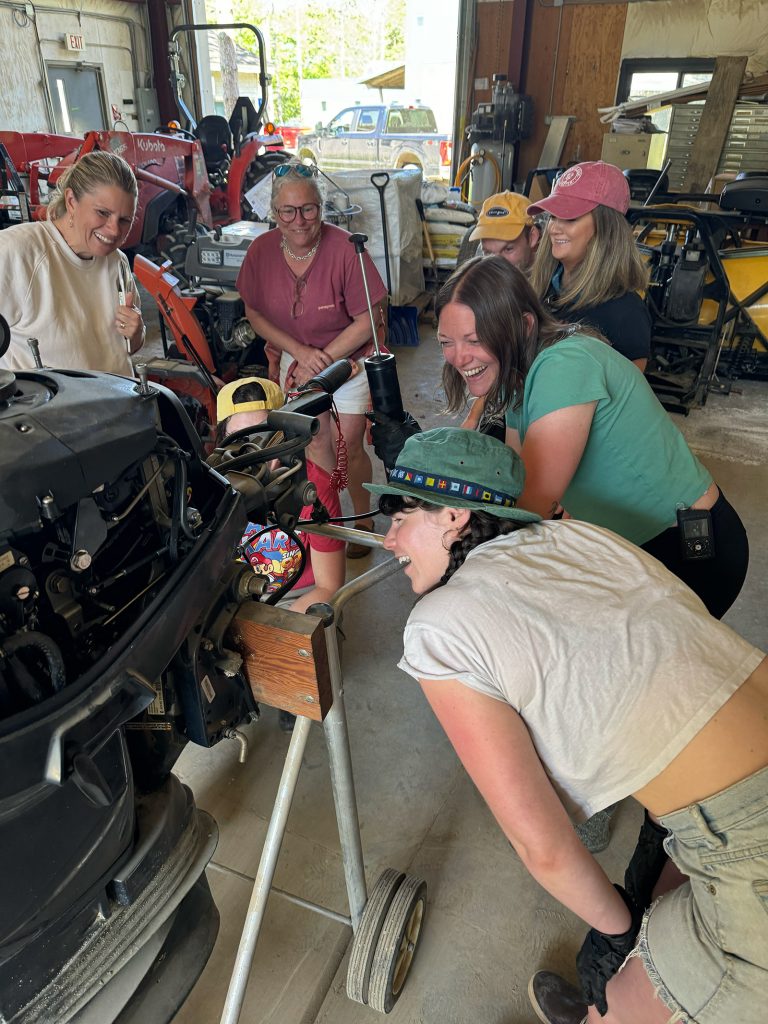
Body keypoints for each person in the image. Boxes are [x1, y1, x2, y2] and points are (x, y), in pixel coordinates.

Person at [366, 426, 768, 1024]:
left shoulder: (440, 625)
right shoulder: (580, 536)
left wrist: (615, 929)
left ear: (453, 515)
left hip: (747, 840)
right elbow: (667, 676)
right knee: (661, 906)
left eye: (400, 518)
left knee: (617, 1002)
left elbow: (544, 846)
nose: (388, 539)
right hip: (732, 797)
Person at [437, 255, 748, 621]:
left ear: (523, 325)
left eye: (474, 340)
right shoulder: (518, 375)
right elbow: (513, 478)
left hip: (687, 549)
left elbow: (530, 505)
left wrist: (444, 538)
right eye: (446, 342)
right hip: (627, 547)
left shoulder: (563, 365)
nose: (459, 357)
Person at [236, 161, 388, 558]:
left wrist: (322, 359)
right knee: (315, 441)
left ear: (321, 207)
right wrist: (301, 354)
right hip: (297, 355)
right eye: (288, 211)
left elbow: (369, 320)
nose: (299, 220)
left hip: (349, 358)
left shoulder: (346, 248)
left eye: (308, 209)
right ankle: (330, 526)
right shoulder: (261, 251)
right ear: (274, 212)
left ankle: (362, 515)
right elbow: (254, 313)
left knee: (347, 444)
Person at [216, 377, 347, 732]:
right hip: (241, 595)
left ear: (286, 435)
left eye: (264, 436)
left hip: (298, 597)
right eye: (240, 439)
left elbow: (329, 584)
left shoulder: (312, 488)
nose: (253, 451)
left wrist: (272, 636)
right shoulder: (213, 490)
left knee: (299, 669)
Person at [0, 150, 145, 375]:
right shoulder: (17, 252)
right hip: (53, 399)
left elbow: (128, 348)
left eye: (125, 220)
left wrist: (137, 333)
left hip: (121, 396)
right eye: (102, 213)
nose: (114, 230)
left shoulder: (117, 262)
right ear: (71, 201)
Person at [528, 160, 651, 370]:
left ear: (606, 229)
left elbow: (626, 389)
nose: (554, 228)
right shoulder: (541, 290)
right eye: (553, 217)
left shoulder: (625, 314)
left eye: (570, 218)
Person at [466, 191, 541, 270]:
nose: (497, 265)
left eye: (508, 249)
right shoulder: (480, 259)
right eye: (488, 253)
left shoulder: (549, 270)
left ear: (532, 237)